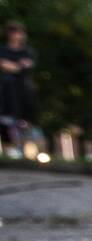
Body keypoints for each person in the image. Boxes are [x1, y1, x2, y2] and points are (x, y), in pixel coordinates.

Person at [0, 21, 38, 149]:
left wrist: (12, 66)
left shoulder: (27, 51)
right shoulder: (3, 49)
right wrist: (17, 66)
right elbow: (4, 65)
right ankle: (9, 146)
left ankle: (27, 146)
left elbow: (27, 66)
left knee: (25, 116)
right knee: (6, 117)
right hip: (6, 88)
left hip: (23, 89)